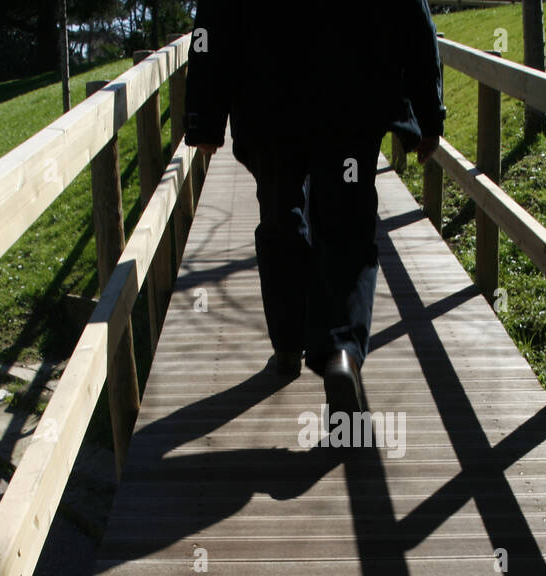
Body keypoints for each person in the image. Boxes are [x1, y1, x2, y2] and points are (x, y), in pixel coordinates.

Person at [182, 0, 445, 414]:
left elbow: (212, 24)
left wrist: (204, 118)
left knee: (281, 213)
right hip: (350, 103)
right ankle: (341, 353)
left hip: (266, 103)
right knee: (348, 227)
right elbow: (413, 16)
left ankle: (288, 346)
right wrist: (429, 115)